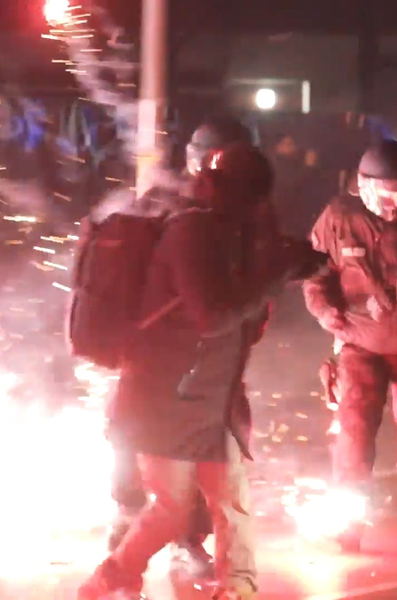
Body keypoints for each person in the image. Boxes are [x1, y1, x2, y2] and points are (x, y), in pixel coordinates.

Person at [78, 142, 323, 600]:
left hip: (210, 398)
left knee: (230, 502)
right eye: (249, 195)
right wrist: (276, 274)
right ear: (220, 188)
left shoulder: (230, 230)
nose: (256, 207)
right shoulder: (189, 232)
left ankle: (237, 589)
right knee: (171, 509)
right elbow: (211, 316)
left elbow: (246, 295)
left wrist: (294, 265)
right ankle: (108, 580)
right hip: (164, 398)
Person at [106, 115, 255, 578]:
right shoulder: (193, 220)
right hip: (174, 365)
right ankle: (141, 545)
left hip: (161, 364)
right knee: (186, 452)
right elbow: (214, 307)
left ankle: (134, 545)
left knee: (159, 452)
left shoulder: (177, 208)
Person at [303, 140, 397, 550]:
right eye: (390, 195)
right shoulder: (339, 218)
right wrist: (326, 312)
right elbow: (315, 274)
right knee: (354, 429)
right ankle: (349, 518)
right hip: (358, 343)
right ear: (366, 189)